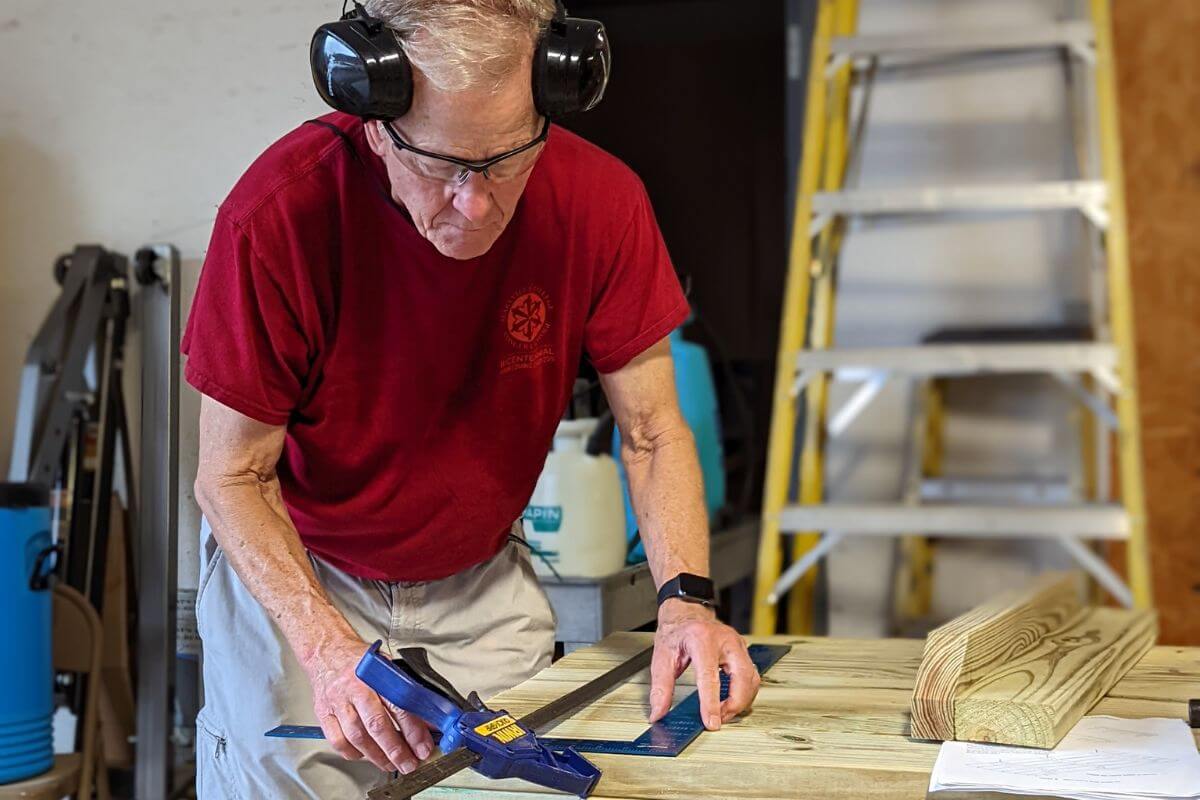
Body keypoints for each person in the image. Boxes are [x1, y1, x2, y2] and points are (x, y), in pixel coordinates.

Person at [183, 1, 760, 796]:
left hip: (481, 578)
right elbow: (231, 477)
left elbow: (656, 431)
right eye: (442, 166)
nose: (476, 205)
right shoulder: (280, 214)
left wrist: (687, 602)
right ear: (377, 123)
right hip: (303, 581)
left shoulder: (600, 201)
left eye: (506, 160)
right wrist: (323, 650)